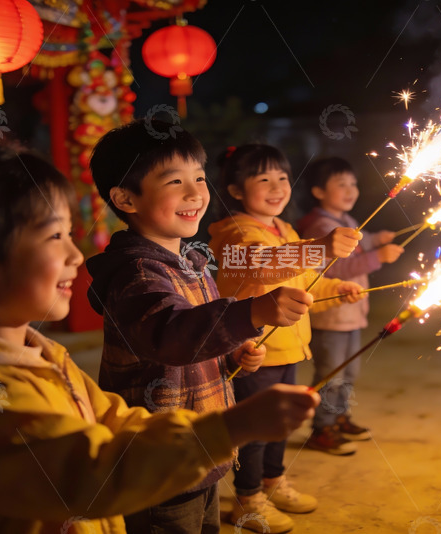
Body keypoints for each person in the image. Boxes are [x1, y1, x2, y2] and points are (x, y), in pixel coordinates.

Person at [0, 142, 320, 534]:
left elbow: (111, 418)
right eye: (52, 237)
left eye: (69, 233)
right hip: (159, 472)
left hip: (180, 454)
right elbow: (89, 476)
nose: (76, 256)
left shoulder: (39, 352)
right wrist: (229, 427)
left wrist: (220, 415)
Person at [87, 120, 315, 534]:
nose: (195, 193)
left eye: (199, 177)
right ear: (125, 198)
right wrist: (253, 312)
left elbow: (199, 334)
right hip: (159, 454)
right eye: (175, 181)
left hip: (201, 447)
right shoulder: (136, 274)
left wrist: (233, 355)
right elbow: (171, 334)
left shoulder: (191, 265)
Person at [207, 144, 364, 533]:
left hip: (289, 349)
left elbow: (303, 281)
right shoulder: (234, 234)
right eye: (263, 179)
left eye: (282, 177)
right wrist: (320, 247)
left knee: (281, 424)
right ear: (236, 190)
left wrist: (336, 289)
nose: (277, 187)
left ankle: (273, 481)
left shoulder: (285, 230)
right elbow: (261, 264)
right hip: (254, 352)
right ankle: (247, 499)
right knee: (254, 430)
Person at [295, 156, 404, 455]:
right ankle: (322, 428)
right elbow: (337, 268)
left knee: (349, 372)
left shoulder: (347, 220)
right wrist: (378, 257)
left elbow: (358, 241)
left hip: (351, 315)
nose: (350, 190)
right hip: (331, 316)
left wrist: (376, 240)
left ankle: (339, 417)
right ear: (318, 191)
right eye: (341, 184)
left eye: (353, 183)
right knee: (331, 374)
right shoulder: (321, 225)